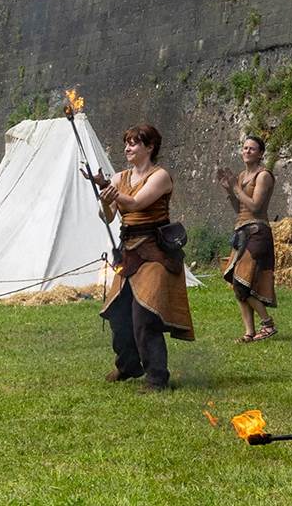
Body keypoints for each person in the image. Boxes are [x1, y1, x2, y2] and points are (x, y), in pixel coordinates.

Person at [95, 124, 194, 389]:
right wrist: (105, 196)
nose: (128, 147)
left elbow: (137, 203)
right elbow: (107, 216)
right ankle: (127, 366)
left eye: (134, 143)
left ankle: (157, 377)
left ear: (149, 147)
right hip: (129, 253)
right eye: (126, 142)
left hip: (155, 253)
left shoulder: (160, 176)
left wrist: (113, 193)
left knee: (144, 315)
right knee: (117, 313)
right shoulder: (119, 178)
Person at [219, 135, 278, 342]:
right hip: (241, 232)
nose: (247, 151)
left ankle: (267, 324)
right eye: (244, 148)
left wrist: (235, 187)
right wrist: (229, 190)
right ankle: (249, 332)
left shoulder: (263, 176)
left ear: (261, 153)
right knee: (238, 283)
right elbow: (240, 208)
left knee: (241, 282)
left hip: (257, 233)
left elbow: (255, 206)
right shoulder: (242, 175)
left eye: (252, 149)